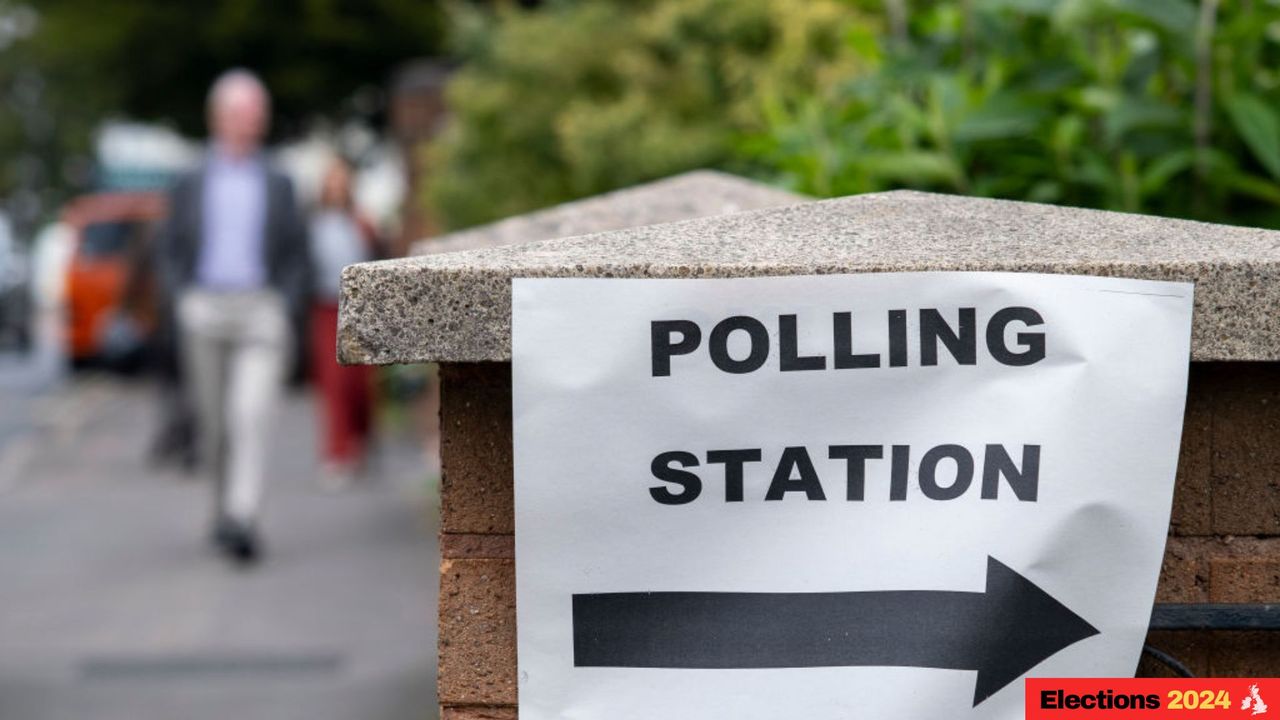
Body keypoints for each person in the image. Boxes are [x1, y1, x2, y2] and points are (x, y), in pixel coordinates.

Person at [156, 69, 310, 565]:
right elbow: (170, 246)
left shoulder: (280, 180)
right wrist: (182, 298)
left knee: (250, 415)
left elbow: (295, 251)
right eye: (246, 112)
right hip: (204, 308)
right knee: (216, 425)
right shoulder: (190, 178)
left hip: (260, 310)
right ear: (219, 116)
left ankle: (243, 517)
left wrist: (284, 304)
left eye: (259, 112)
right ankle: (222, 510)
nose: (256, 121)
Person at [308, 158, 379, 486]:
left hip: (359, 309)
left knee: (359, 383)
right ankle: (337, 452)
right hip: (325, 307)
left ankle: (361, 439)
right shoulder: (313, 224)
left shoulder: (362, 222)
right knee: (333, 383)